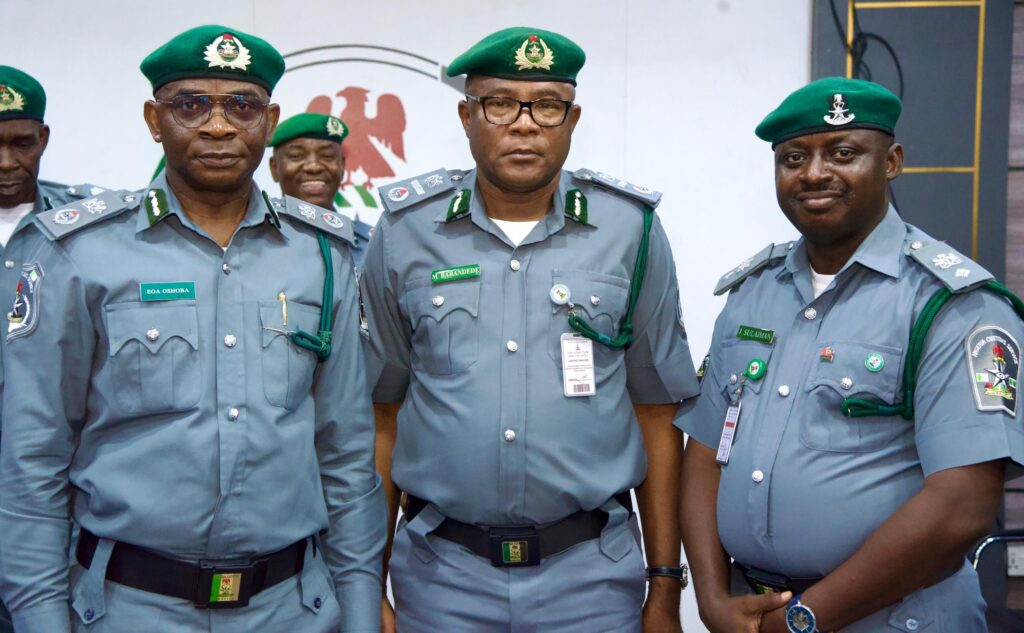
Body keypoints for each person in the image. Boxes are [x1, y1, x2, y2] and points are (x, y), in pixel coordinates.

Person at [0, 24, 384, 633]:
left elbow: (345, 457)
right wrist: (39, 618)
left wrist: (361, 608)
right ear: (154, 120)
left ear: (269, 120)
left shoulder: (321, 254)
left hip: (292, 610)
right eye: (191, 105)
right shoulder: (79, 253)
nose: (218, 126)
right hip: (127, 610)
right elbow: (32, 462)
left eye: (242, 106)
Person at [360, 26, 698, 633]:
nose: (523, 125)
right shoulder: (404, 231)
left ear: (572, 119)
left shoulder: (631, 230)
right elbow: (382, 411)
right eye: (499, 104)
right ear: (467, 116)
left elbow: (655, 410)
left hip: (592, 581)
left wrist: (666, 584)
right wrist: (371, 579)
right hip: (441, 580)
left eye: (546, 106)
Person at [677, 77, 1024, 633]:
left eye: (842, 153)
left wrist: (804, 619)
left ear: (891, 162)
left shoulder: (954, 305)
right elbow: (703, 454)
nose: (814, 173)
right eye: (793, 158)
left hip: (898, 617)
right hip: (752, 611)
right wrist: (713, 598)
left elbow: (962, 507)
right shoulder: (752, 293)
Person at [0, 64, 103, 633]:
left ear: (43, 138)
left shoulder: (86, 226)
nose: (6, 162)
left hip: (59, 496)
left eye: (21, 143)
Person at [268, 112, 372, 270]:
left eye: (327, 156)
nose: (314, 167)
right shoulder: (253, 242)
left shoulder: (371, 246)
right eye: (296, 156)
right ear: (274, 167)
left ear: (342, 166)